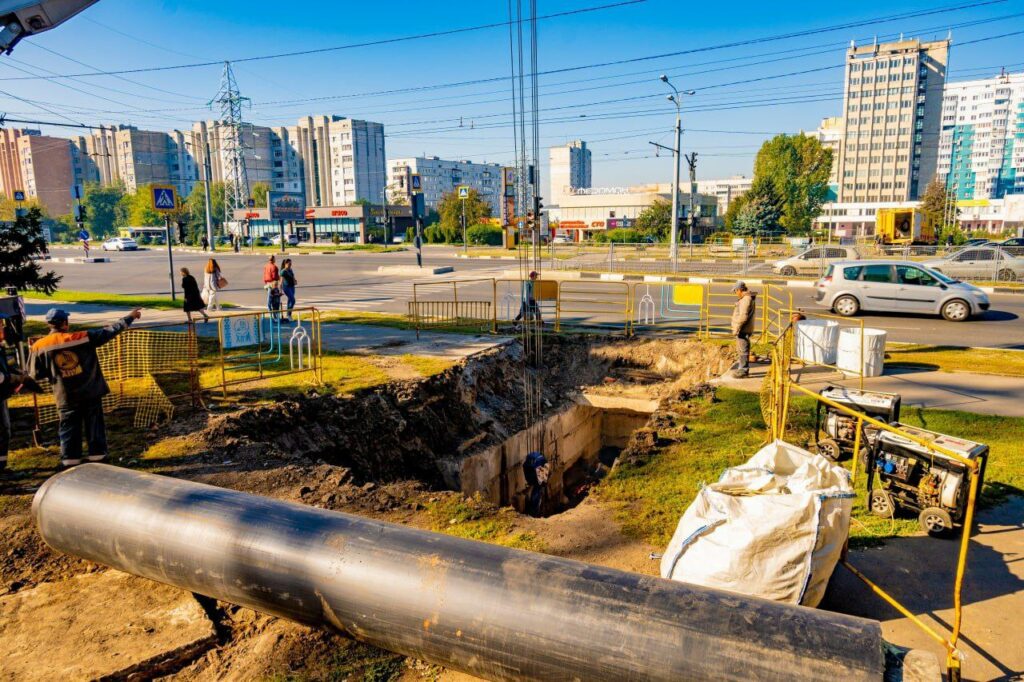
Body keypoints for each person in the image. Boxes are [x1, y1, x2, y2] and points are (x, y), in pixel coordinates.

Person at [27, 308, 141, 468]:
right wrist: (130, 317)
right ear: (65, 323)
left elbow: (35, 374)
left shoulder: (39, 346)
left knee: (68, 427)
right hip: (90, 391)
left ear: (49, 325)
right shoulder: (82, 337)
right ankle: (98, 457)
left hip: (65, 395)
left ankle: (69, 461)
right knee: (94, 425)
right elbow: (109, 331)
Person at [730, 281, 757, 378]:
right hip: (744, 329)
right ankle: (742, 368)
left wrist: (736, 329)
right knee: (742, 350)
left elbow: (743, 317)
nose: (735, 293)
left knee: (743, 350)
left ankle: (743, 370)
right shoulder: (746, 298)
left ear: (740, 290)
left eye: (735, 291)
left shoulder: (746, 300)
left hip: (743, 329)